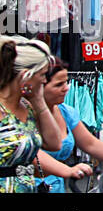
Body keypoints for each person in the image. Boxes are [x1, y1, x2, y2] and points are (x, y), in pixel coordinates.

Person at [36, 58, 103, 192]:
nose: (66, 88)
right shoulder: (24, 116)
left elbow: (90, 143)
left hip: (56, 186)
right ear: (39, 86)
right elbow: (32, 154)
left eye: (65, 83)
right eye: (58, 85)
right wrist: (67, 170)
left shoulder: (66, 112)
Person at [0, 36, 64, 193]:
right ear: (26, 75)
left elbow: (54, 143)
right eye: (42, 75)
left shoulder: (28, 109)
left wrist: (39, 102)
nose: (44, 81)